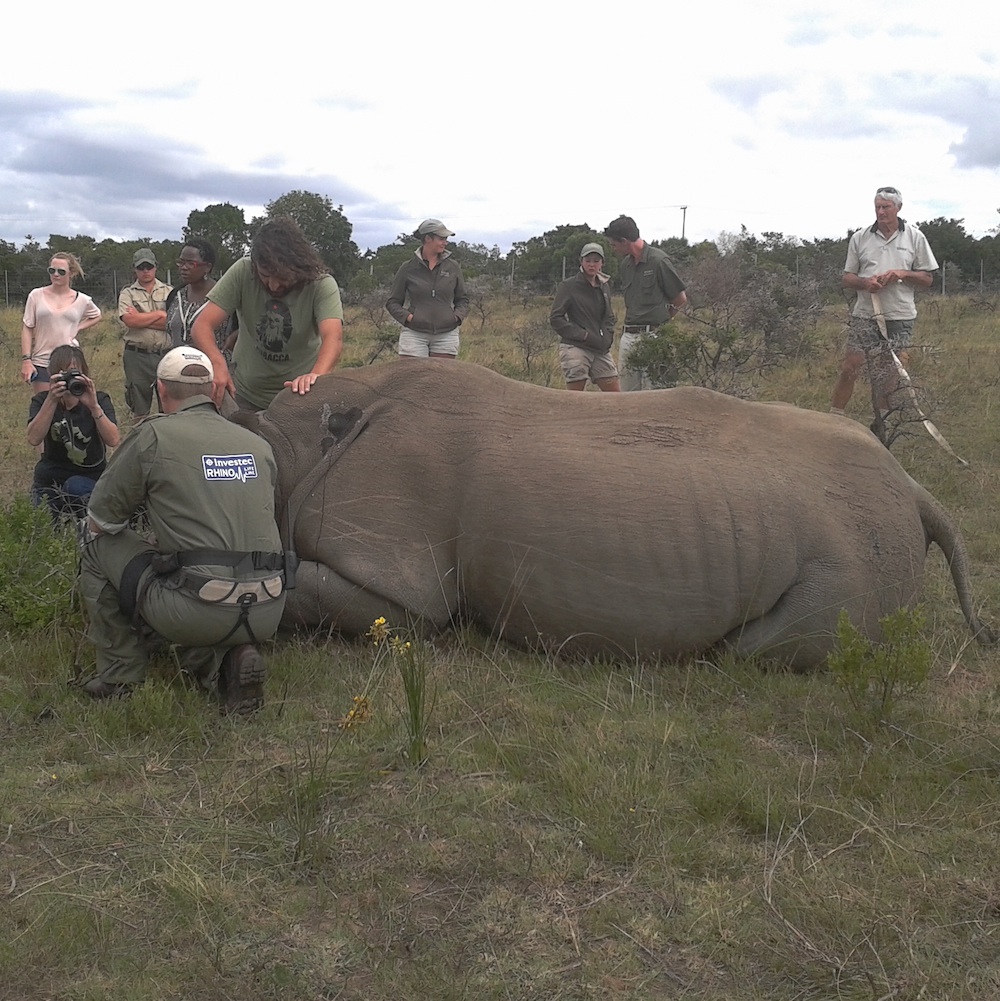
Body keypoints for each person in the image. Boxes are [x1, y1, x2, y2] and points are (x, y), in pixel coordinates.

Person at [78, 346, 289, 713]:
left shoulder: (154, 436)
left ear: (160, 389)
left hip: (199, 603)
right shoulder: (258, 445)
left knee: (96, 545)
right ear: (213, 390)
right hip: (270, 605)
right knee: (191, 569)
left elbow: (103, 518)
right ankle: (223, 664)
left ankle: (120, 672)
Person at [190, 217, 344, 411]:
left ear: (298, 266)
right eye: (265, 276)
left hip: (299, 398)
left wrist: (315, 377)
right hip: (244, 393)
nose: (273, 285)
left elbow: (333, 338)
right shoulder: (243, 271)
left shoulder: (321, 284)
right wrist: (217, 362)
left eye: (282, 278)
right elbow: (201, 326)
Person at [830, 186, 938, 435]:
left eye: (886, 207)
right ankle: (834, 419)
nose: (880, 212)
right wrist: (866, 283)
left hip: (900, 314)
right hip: (866, 313)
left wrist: (902, 273)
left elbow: (927, 278)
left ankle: (881, 426)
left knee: (888, 372)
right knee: (850, 365)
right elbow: (847, 277)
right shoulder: (861, 237)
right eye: (877, 207)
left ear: (898, 208)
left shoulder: (914, 237)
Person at [27, 344, 120, 520]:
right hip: (50, 478)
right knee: (40, 521)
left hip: (89, 477)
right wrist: (52, 400)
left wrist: (93, 406)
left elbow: (113, 439)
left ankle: (86, 528)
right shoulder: (42, 401)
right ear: (52, 375)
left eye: (75, 373)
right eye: (64, 374)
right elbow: (33, 438)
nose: (70, 380)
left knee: (75, 486)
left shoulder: (99, 399)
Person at [604, 215, 688, 391]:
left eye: (614, 244)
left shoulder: (659, 261)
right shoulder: (625, 265)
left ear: (625, 241)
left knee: (656, 391)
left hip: (654, 336)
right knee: (628, 394)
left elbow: (680, 300)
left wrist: (662, 323)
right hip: (629, 336)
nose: (613, 249)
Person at [386, 219, 469, 359]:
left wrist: (455, 317)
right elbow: (392, 302)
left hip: (446, 334)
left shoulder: (453, 267)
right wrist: (408, 318)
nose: (445, 242)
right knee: (412, 378)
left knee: (441, 379)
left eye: (446, 239)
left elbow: (463, 300)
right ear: (427, 238)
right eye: (441, 239)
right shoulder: (408, 267)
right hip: (414, 334)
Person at [20, 253, 102, 393]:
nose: (56, 274)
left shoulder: (82, 300)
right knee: (45, 406)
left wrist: (78, 327)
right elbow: (27, 328)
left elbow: (97, 315)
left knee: (72, 407)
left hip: (70, 362)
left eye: (61, 271)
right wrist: (26, 360)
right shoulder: (36, 295)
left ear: (72, 273)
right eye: (52, 270)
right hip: (42, 361)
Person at [549, 242, 620, 391]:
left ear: (602, 263)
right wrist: (582, 335)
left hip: (600, 348)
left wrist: (608, 336)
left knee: (615, 395)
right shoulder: (569, 286)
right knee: (576, 397)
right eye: (588, 260)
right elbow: (556, 318)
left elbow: (609, 316)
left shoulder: (604, 286)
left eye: (596, 261)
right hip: (576, 346)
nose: (592, 265)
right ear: (581, 262)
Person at [118, 247, 173, 416]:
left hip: (165, 355)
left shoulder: (170, 292)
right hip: (137, 357)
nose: (145, 271)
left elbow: (173, 323)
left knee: (170, 407)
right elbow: (130, 321)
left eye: (149, 267)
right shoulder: (127, 293)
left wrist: (142, 319)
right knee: (140, 411)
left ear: (156, 267)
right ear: (134, 269)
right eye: (141, 268)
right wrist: (159, 314)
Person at [165, 238, 236, 357]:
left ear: (207, 267)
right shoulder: (175, 295)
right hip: (178, 368)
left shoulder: (226, 296)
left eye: (191, 263)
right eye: (181, 262)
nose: (184, 267)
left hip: (214, 369)